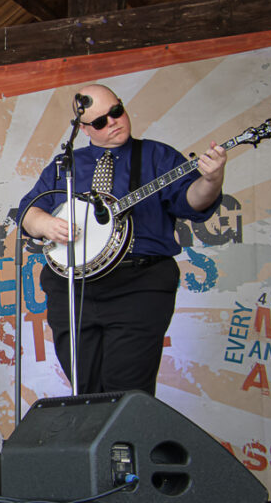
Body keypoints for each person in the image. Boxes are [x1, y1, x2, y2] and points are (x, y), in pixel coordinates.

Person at [17, 84, 226, 395]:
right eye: (100, 121)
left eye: (116, 111)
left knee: (127, 391)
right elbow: (28, 212)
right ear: (84, 129)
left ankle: (126, 444)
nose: (113, 122)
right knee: (86, 392)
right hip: (74, 289)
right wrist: (45, 223)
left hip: (139, 284)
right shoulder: (66, 166)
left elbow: (192, 201)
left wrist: (211, 179)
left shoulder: (158, 156)